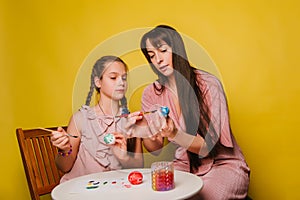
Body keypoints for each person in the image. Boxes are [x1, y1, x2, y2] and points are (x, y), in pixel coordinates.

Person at [139, 25, 250, 199]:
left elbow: (208, 146)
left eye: (163, 50)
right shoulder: (151, 93)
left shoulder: (208, 85)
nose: (158, 60)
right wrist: (143, 130)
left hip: (222, 164)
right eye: (152, 56)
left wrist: (175, 134)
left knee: (204, 195)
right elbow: (155, 148)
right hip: (184, 165)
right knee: (157, 194)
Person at [50, 55, 144, 183]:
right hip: (81, 190)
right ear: (98, 82)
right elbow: (64, 167)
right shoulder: (81, 118)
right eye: (113, 77)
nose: (121, 82)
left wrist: (123, 157)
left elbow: (139, 167)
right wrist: (64, 149)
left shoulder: (131, 120)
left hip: (113, 190)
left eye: (124, 78)